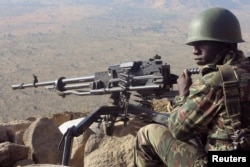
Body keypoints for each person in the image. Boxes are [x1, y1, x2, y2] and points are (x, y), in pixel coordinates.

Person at [134, 7, 250, 167]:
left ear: (223, 43)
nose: (195, 50)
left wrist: (182, 95)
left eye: (202, 43)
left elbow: (178, 129)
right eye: (193, 44)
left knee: (147, 133)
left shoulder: (215, 81)